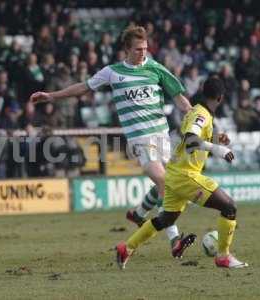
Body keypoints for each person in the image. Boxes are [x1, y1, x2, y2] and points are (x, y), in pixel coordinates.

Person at [30, 25, 194, 257]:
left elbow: (181, 101)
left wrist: (204, 124)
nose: (143, 53)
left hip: (162, 136)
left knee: (164, 186)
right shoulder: (113, 72)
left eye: (145, 48)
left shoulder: (156, 69)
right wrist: (51, 96)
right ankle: (175, 240)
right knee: (166, 184)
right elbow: (83, 88)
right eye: (138, 49)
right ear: (126, 49)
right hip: (140, 140)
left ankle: (138, 213)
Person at [115, 77, 248, 269]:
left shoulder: (198, 112)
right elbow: (191, 140)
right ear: (220, 98)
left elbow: (192, 135)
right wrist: (219, 150)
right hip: (186, 175)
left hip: (174, 174)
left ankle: (126, 248)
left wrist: (217, 139)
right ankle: (223, 256)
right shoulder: (201, 115)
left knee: (165, 220)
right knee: (229, 207)